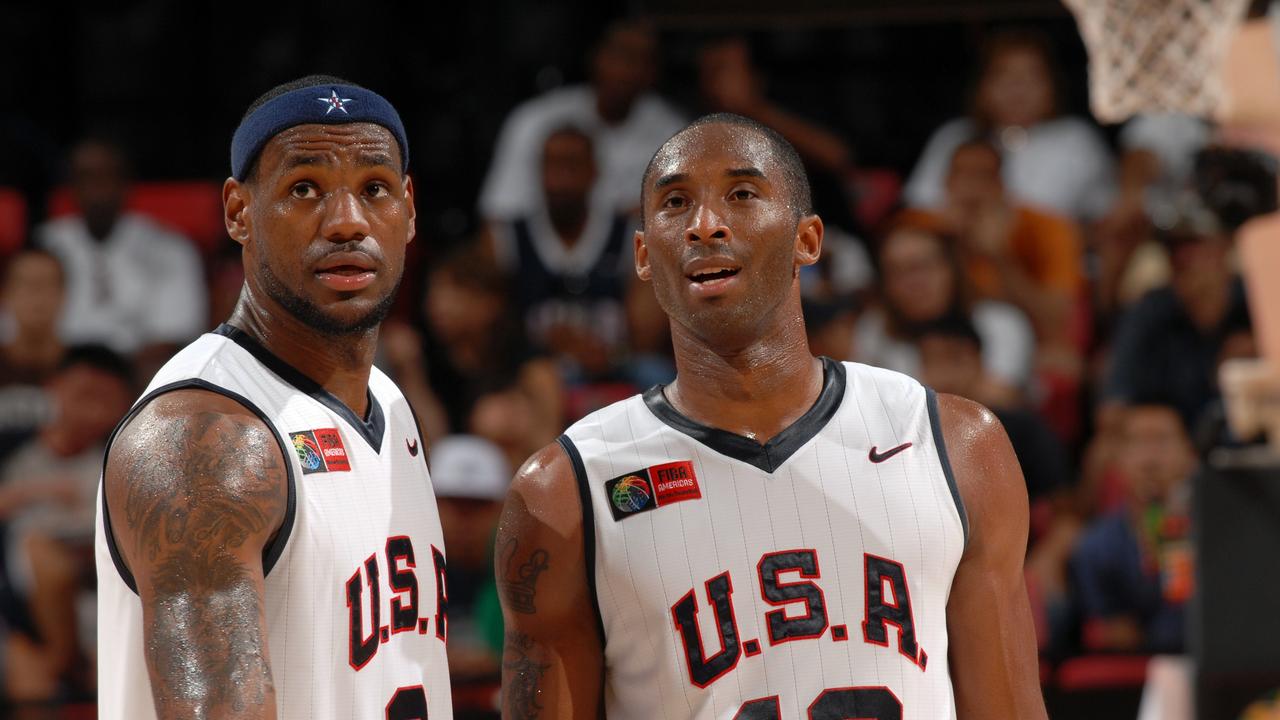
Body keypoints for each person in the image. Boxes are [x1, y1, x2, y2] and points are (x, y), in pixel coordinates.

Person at [496, 113, 1047, 718]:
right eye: (676, 203)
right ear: (643, 254)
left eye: (742, 194)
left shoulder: (956, 446)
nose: (706, 225)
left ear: (808, 240)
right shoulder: (566, 493)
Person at [94, 75, 452, 719]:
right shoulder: (202, 438)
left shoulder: (389, 403)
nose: (347, 222)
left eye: (374, 189)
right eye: (304, 189)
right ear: (238, 212)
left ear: (410, 208)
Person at [478, 19, 685, 221]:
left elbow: (677, 221)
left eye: (643, 59)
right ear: (595, 56)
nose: (627, 70)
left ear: (654, 72)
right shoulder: (535, 120)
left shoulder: (676, 135)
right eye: (620, 54)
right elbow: (499, 218)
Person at [904, 29, 1115, 222]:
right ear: (982, 86)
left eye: (1032, 76)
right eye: (1004, 75)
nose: (1018, 88)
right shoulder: (954, 136)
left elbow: (1106, 212)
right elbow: (920, 210)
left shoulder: (1075, 138)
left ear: (1053, 86)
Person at [35, 138, 207, 366]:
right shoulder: (44, 244)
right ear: (71, 186)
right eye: (86, 177)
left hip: (139, 375)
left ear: (127, 183)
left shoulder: (169, 247)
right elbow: (17, 332)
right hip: (57, 371)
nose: (96, 188)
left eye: (106, 176)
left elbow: (175, 334)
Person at [857, 223, 1035, 407]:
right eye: (897, 272)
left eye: (922, 266)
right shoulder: (876, 331)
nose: (913, 282)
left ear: (951, 268)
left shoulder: (1001, 322)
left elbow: (996, 401)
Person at [1071, 398, 1195, 654]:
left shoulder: (1220, 538)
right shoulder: (1095, 547)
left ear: (1189, 454)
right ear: (1118, 459)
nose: (1150, 459)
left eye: (1162, 440)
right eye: (1138, 442)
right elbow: (1112, 632)